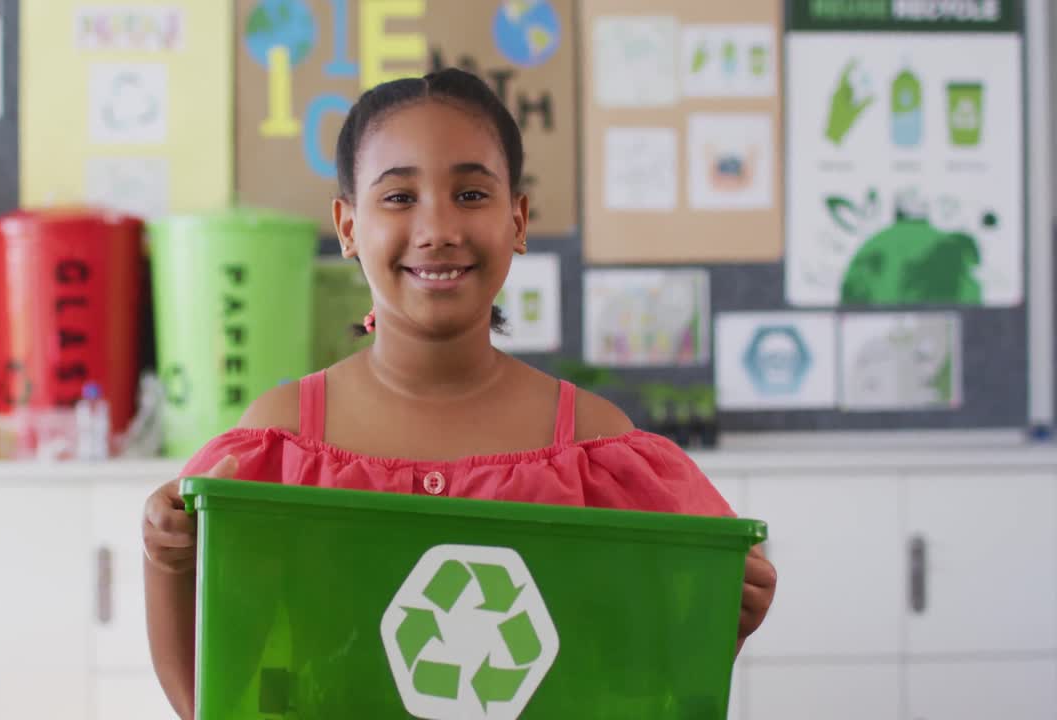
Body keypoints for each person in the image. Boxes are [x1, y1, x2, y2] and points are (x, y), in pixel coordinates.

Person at [143, 67, 776, 718]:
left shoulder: (597, 445)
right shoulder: (280, 440)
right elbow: (212, 693)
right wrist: (167, 560)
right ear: (347, 226)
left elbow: (647, 686)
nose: (438, 228)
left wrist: (724, 619)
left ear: (519, 219)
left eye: (471, 195)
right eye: (397, 198)